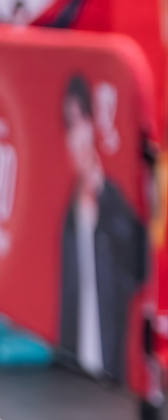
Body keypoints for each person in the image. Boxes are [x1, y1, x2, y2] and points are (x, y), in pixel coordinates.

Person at [57, 75, 147, 383]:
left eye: (83, 121)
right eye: (71, 125)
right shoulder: (67, 217)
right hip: (77, 369)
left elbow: (140, 262)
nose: (79, 136)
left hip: (116, 368)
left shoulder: (114, 203)